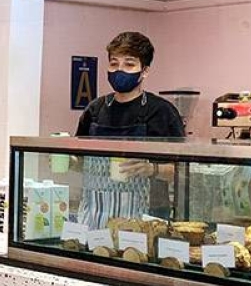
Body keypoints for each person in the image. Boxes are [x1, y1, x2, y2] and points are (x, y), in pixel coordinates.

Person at [74, 32, 184, 228]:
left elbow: (183, 171)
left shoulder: (162, 112)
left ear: (145, 71)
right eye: (114, 64)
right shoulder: (94, 110)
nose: (120, 70)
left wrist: (152, 169)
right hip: (95, 214)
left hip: (145, 216)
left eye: (129, 64)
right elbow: (81, 162)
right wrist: (68, 161)